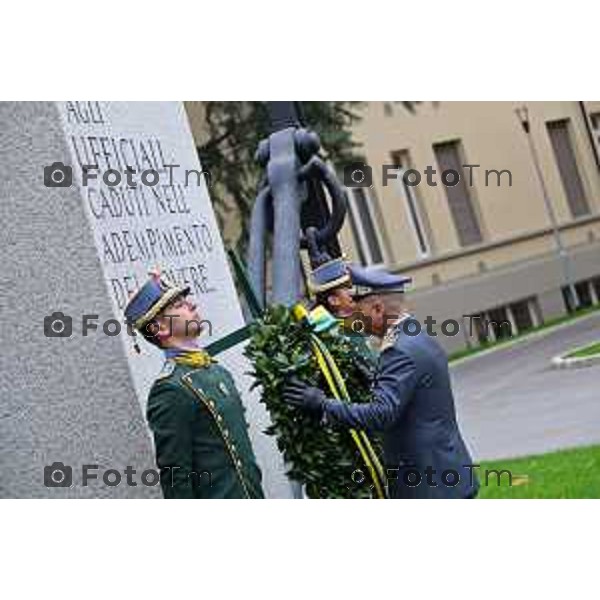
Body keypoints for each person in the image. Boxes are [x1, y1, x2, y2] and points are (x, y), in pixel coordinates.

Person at [284, 268, 479, 499]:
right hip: (447, 471)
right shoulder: (415, 335)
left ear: (377, 309)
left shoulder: (398, 351)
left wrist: (322, 404)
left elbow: (380, 415)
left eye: (359, 311)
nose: (356, 319)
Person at [124, 270, 264, 499]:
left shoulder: (217, 371)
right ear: (160, 328)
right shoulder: (170, 390)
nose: (192, 305)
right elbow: (176, 479)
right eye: (179, 305)